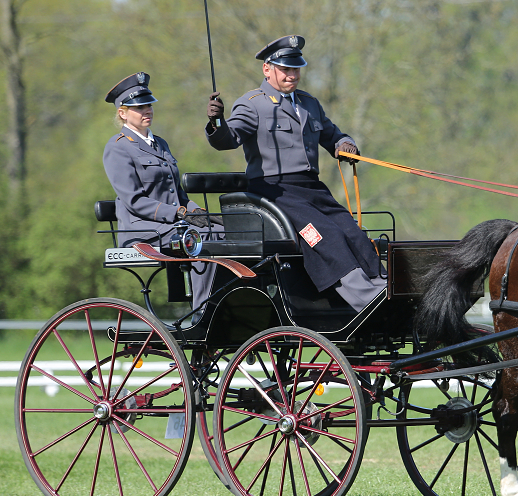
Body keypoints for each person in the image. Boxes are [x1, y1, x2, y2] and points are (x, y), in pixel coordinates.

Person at [205, 35, 385, 312]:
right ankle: (366, 300)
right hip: (274, 191)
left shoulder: (309, 103)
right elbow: (229, 139)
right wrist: (217, 122)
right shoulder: (252, 103)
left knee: (352, 232)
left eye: (296, 68)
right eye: (285, 69)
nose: (292, 75)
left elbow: (332, 134)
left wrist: (343, 144)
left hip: (312, 188)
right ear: (267, 69)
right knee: (325, 236)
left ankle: (382, 285)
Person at [103, 72, 223, 315]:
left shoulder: (161, 144)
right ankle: (202, 313)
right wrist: (178, 214)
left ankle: (223, 306)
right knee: (203, 237)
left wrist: (195, 210)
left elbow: (178, 192)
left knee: (222, 231)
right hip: (141, 229)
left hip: (172, 225)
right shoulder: (118, 148)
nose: (146, 110)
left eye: (148, 104)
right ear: (122, 113)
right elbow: (134, 201)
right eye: (138, 107)